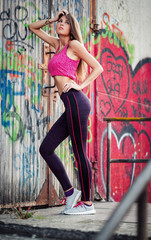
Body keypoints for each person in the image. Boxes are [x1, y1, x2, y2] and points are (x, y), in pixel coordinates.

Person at [29, 10, 103, 215]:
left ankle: (87, 204)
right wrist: (51, 19)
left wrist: (81, 86)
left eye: (65, 22)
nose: (60, 24)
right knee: (46, 148)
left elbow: (98, 67)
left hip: (76, 101)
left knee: (79, 152)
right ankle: (71, 192)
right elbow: (32, 27)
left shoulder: (73, 45)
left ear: (72, 27)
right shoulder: (57, 44)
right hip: (69, 104)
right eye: (59, 22)